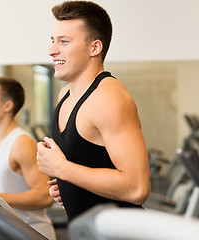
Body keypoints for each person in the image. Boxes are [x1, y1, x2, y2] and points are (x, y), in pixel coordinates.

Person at [36, 1, 151, 222]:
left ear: (94, 48)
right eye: (53, 41)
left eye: (64, 41)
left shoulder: (109, 98)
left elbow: (137, 189)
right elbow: (89, 165)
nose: (52, 50)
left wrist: (63, 169)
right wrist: (70, 187)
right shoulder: (65, 95)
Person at [0, 77, 56, 239]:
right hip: (5, 230)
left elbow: (45, 196)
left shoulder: (22, 143)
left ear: (8, 105)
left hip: (31, 232)